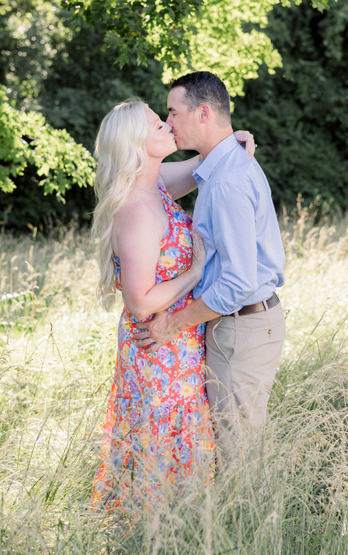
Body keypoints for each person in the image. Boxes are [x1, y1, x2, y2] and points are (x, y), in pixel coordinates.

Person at [90, 98, 255, 513]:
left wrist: (229, 141)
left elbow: (205, 165)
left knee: (178, 445)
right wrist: (195, 274)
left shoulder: (155, 183)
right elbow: (140, 300)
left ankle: (178, 532)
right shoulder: (136, 209)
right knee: (158, 446)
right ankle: (149, 534)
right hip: (157, 349)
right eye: (156, 123)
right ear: (135, 142)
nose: (167, 124)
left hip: (177, 344)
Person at [133, 71, 286, 467]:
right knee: (232, 448)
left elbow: (236, 284)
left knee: (239, 458)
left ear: (203, 113)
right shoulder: (218, 169)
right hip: (232, 325)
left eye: (173, 112)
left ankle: (249, 529)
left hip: (240, 325)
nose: (169, 123)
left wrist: (174, 323)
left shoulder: (225, 181)